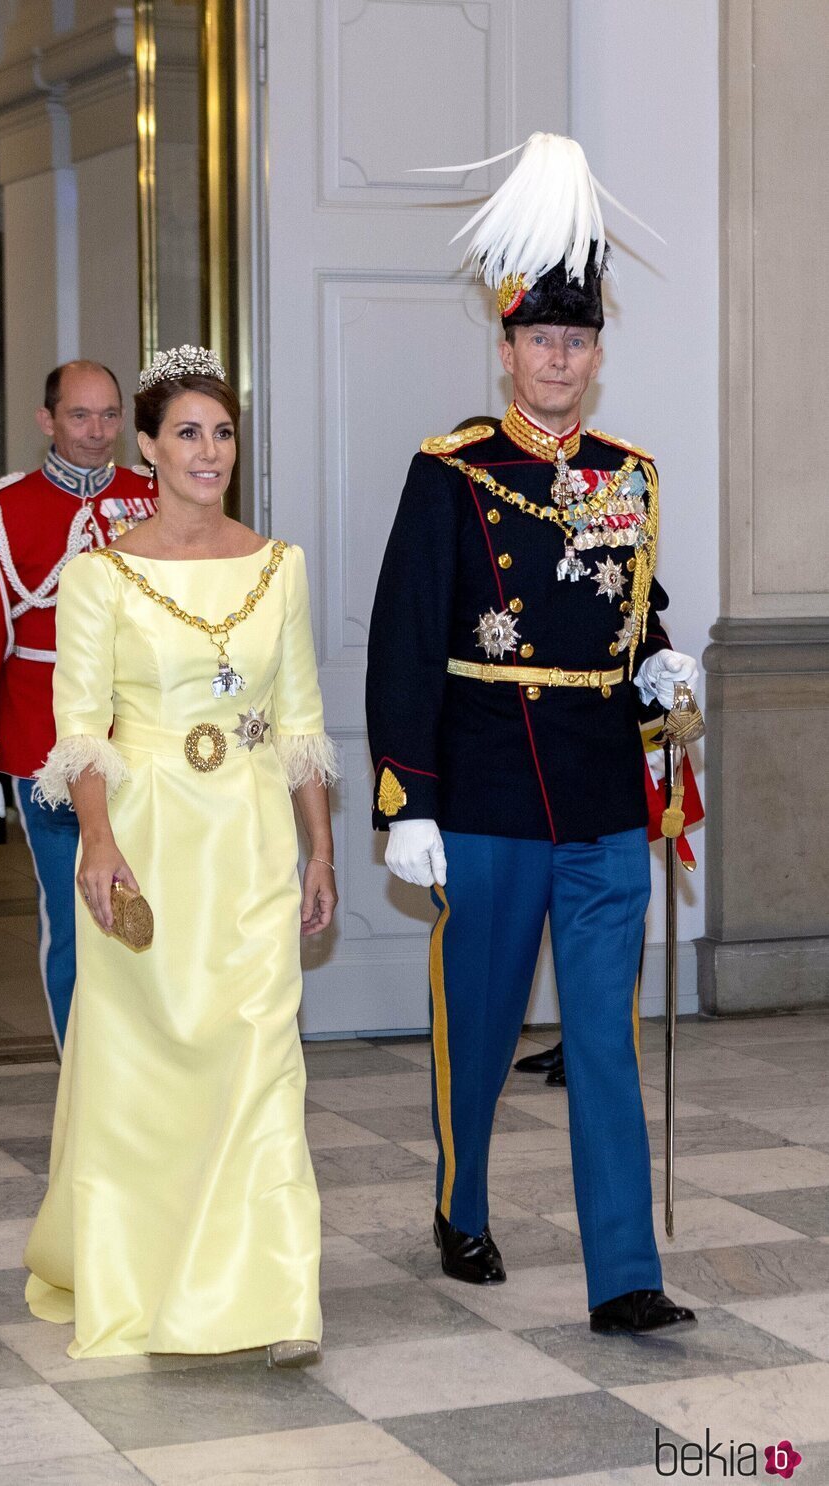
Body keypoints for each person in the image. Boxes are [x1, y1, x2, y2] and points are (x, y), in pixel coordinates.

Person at [366, 134, 698, 1334]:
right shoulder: (450, 471)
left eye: (575, 341)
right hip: (491, 790)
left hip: (604, 796)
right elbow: (404, 636)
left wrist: (659, 659)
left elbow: (629, 603)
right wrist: (407, 799)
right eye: (537, 339)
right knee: (485, 1023)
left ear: (597, 357)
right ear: (505, 347)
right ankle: (460, 1202)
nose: (557, 359)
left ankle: (624, 1275)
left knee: (601, 1041)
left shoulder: (629, 477)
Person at [24, 344, 340, 1363]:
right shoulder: (99, 577)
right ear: (148, 449)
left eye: (223, 432)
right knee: (145, 1067)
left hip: (248, 839)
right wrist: (100, 844)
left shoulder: (278, 565)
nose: (210, 451)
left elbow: (298, 723)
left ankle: (274, 1296)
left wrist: (319, 852)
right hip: (149, 836)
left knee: (260, 1056)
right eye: (188, 433)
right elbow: (79, 726)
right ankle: (140, 1273)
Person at [0, 361, 155, 1051]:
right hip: (47, 749)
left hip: (149, 740)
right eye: (79, 416)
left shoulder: (154, 497)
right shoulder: (3, 509)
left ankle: (147, 1072)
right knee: (75, 918)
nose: (97, 433)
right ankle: (82, 1075)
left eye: (108, 416)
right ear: (48, 420)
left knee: (154, 913)